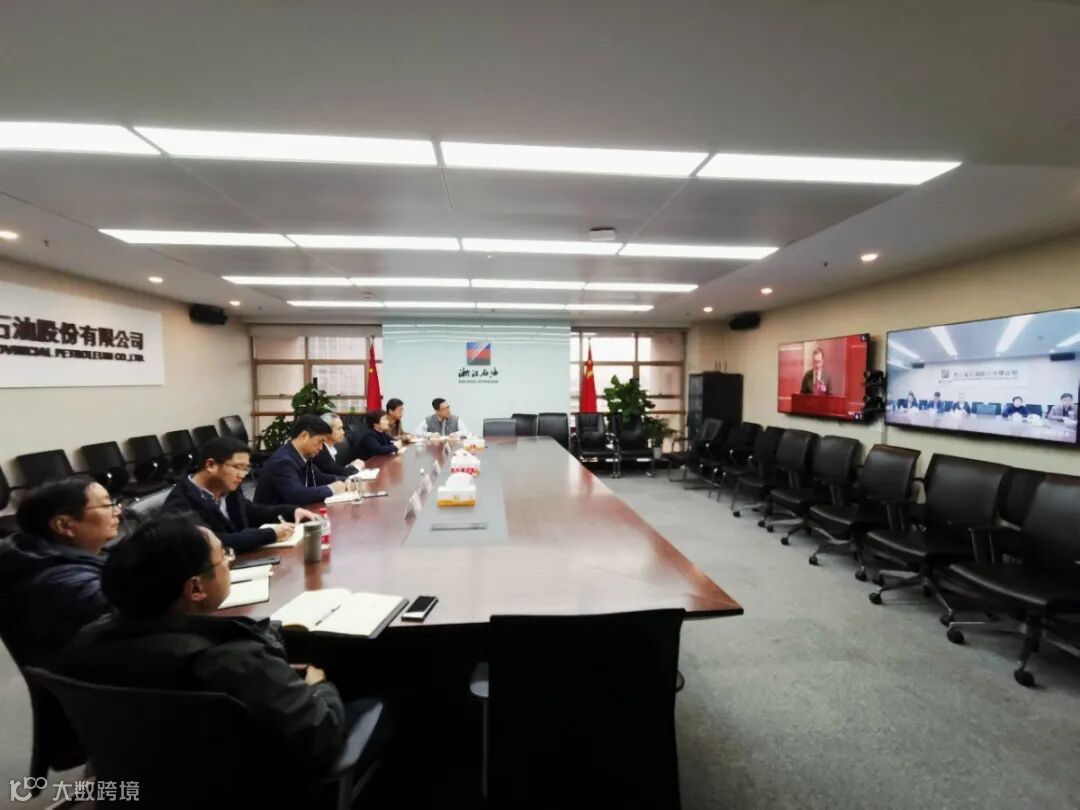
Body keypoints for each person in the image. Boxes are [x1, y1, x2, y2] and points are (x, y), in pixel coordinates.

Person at [57, 517, 356, 777]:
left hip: (149, 778)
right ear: (196, 588)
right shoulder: (233, 661)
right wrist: (320, 688)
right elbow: (319, 737)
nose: (229, 561)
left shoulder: (88, 640)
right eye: (223, 556)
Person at [0, 478, 119, 667]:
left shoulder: (38, 553)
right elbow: (138, 610)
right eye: (106, 505)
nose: (118, 510)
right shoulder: (65, 585)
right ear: (64, 525)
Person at [164, 437, 320, 553]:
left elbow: (252, 512)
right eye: (237, 467)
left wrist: (292, 511)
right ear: (211, 465)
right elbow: (213, 542)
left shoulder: (228, 488)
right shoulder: (179, 505)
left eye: (246, 468)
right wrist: (270, 534)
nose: (242, 475)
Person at [254, 414, 352, 505]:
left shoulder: (302, 455)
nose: (321, 448)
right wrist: (331, 489)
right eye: (320, 441)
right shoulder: (283, 461)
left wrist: (345, 480)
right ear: (304, 436)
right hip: (274, 517)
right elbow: (297, 495)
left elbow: (320, 478)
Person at [313, 413, 365, 477]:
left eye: (342, 428)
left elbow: (337, 470)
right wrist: (356, 467)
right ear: (326, 430)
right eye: (339, 429)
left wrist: (351, 466)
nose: (343, 432)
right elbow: (337, 473)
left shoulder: (330, 447)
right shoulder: (320, 451)